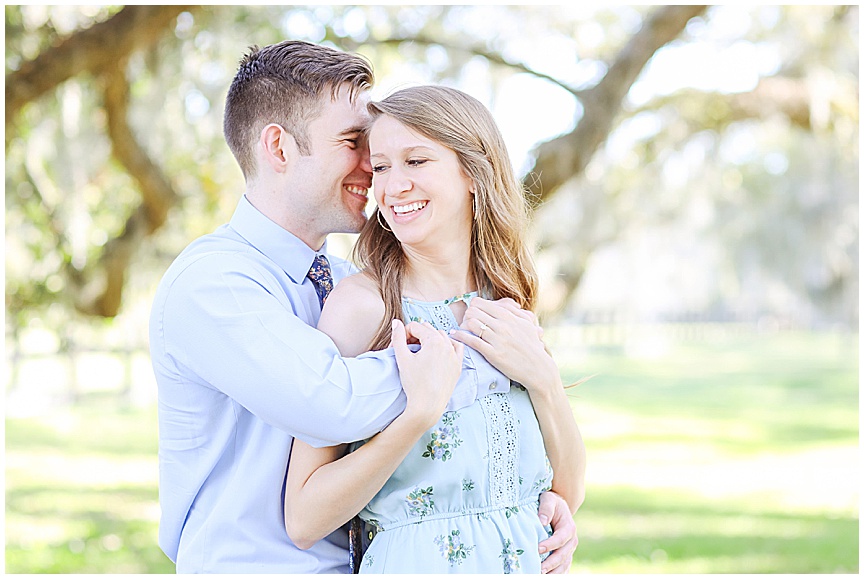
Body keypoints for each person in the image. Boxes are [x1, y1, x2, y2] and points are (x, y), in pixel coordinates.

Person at [149, 40, 578, 573]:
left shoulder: (354, 282)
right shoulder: (214, 284)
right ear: (279, 148)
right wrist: (483, 359)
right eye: (356, 143)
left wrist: (522, 502)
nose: (374, 171)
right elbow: (330, 401)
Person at [284, 85, 586, 574]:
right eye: (380, 166)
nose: (392, 185)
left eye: (416, 161)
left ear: (473, 171)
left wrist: (545, 381)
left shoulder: (505, 299)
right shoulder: (364, 308)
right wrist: (417, 415)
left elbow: (568, 491)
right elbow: (303, 517)